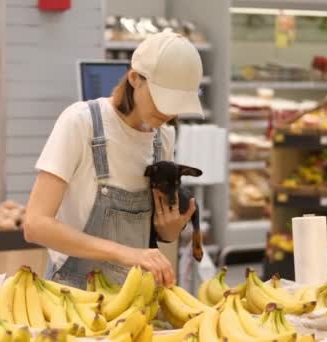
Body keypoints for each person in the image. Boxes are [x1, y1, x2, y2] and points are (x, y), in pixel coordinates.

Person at [24, 31, 204, 289]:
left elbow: (158, 235)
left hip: (135, 295)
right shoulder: (80, 123)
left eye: (177, 104)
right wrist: (126, 253)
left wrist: (170, 229)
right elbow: (35, 225)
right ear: (134, 79)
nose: (168, 112)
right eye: (162, 100)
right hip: (74, 295)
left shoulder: (163, 137)